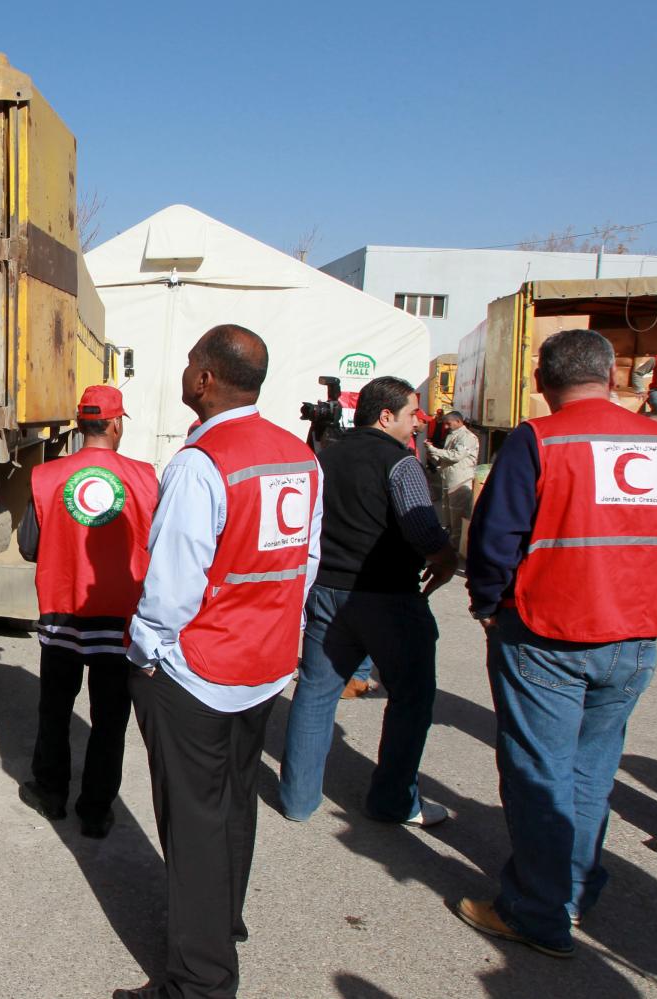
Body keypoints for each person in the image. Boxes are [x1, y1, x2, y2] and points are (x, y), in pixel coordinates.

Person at [117, 325, 321, 999]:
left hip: (199, 670)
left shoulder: (202, 463)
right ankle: (223, 920)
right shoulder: (298, 456)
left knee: (195, 821)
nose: (183, 371)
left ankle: (200, 982)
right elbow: (305, 563)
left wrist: (146, 649)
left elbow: (172, 585)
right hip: (264, 663)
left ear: (205, 378)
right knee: (234, 801)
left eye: (188, 363)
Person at [456, 329, 657, 959]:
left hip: (549, 632)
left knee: (538, 772)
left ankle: (537, 911)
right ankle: (573, 886)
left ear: (542, 380)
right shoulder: (656, 441)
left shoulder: (539, 439)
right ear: (613, 378)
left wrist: (489, 604)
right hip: (635, 635)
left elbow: (496, 538)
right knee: (592, 768)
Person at [277, 376, 459, 829]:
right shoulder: (400, 464)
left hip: (326, 592)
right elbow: (421, 530)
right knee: (411, 698)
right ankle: (394, 800)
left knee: (316, 693)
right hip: (388, 597)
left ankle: (298, 799)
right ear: (386, 416)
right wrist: (446, 557)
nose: (419, 422)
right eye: (413, 413)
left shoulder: (324, 456)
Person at [14, 384, 158, 839]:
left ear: (80, 424)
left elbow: (28, 546)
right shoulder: (146, 477)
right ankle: (96, 809)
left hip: (63, 612)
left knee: (55, 707)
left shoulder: (47, 477)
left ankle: (51, 792)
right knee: (110, 718)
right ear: (115, 424)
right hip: (121, 617)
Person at [424, 409, 480, 552]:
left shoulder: (467, 437)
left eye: (448, 424)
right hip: (449, 481)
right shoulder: (453, 436)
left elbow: (456, 456)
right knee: (448, 517)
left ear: (458, 421)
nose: (446, 427)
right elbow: (446, 459)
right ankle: (450, 545)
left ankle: (456, 548)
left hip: (459, 482)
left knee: (458, 517)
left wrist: (435, 450)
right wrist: (432, 454)